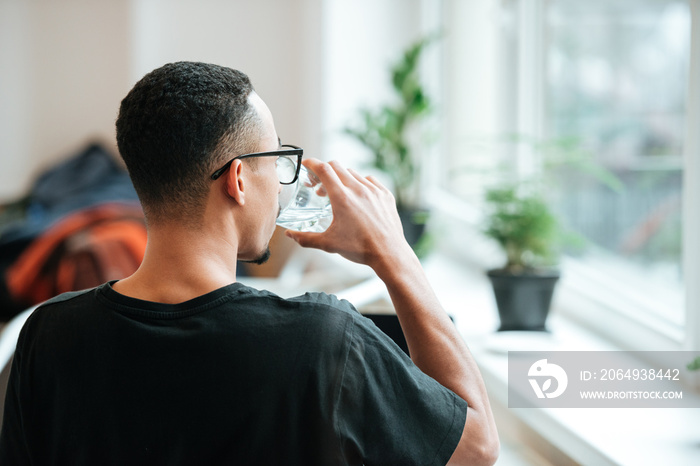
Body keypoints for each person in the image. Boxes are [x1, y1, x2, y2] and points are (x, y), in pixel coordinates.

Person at [0, 62, 499, 465]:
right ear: (237, 179)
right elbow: (476, 449)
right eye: (278, 160)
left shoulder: (47, 335)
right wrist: (395, 255)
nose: (284, 181)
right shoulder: (324, 341)